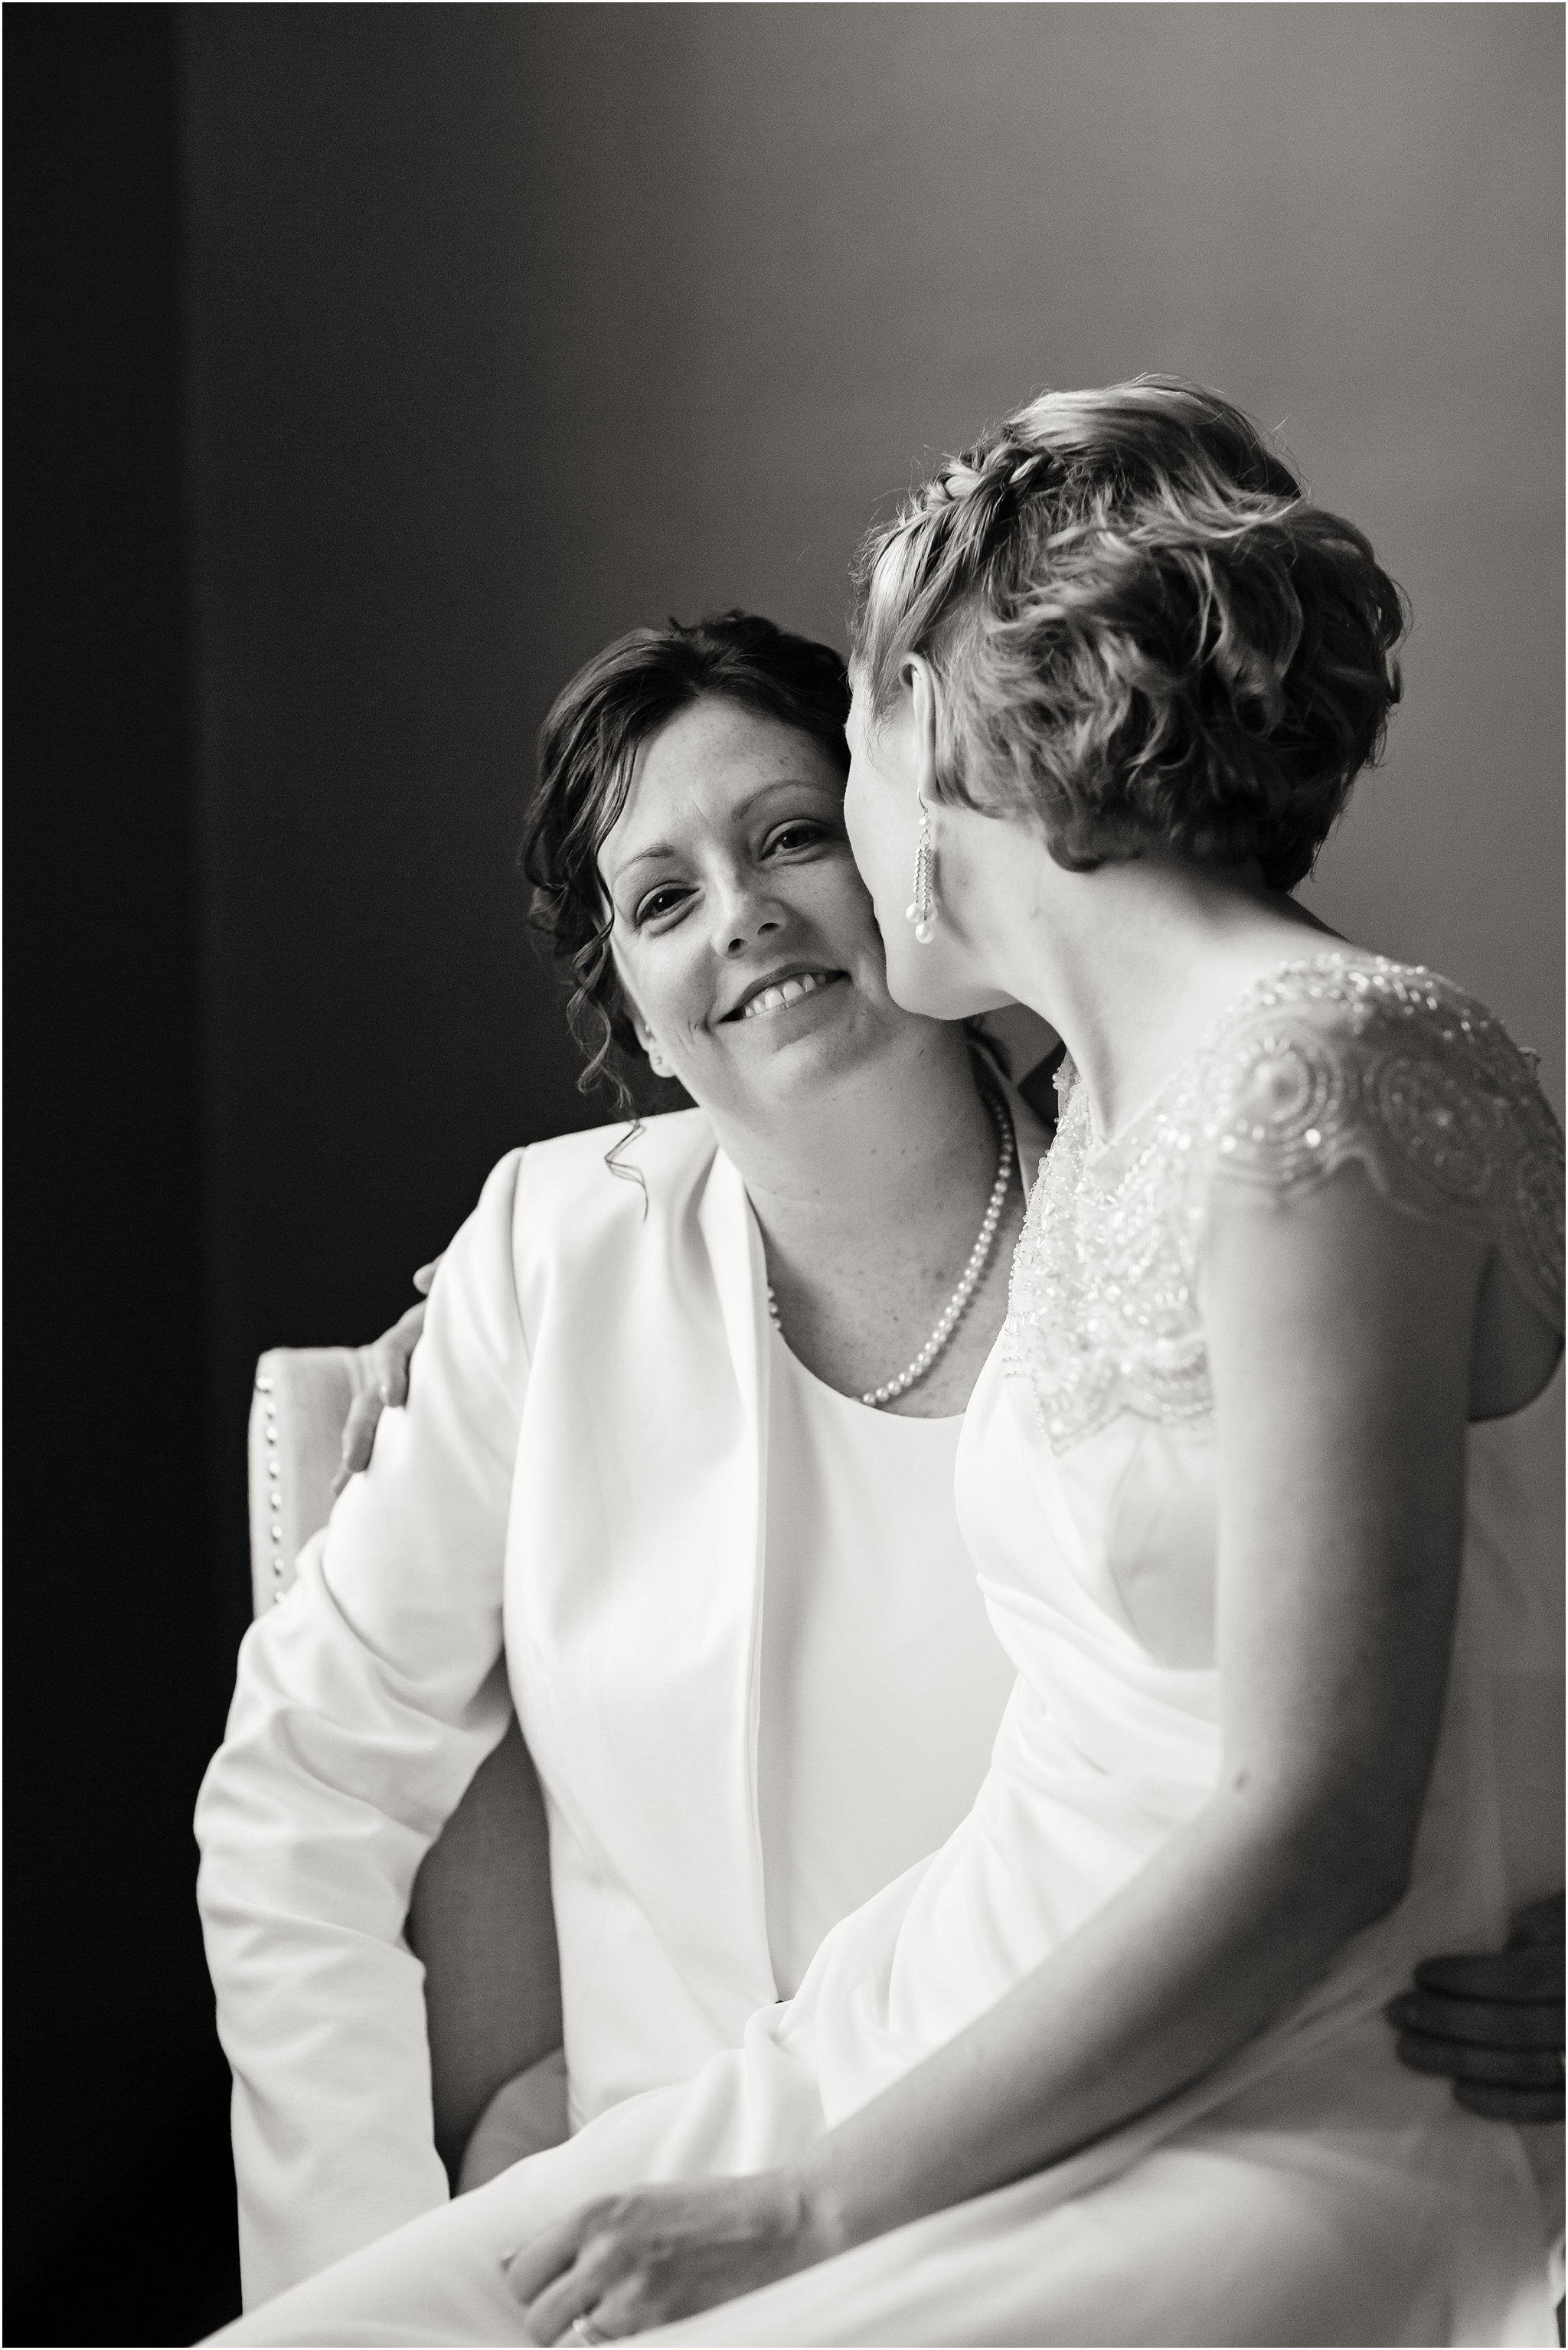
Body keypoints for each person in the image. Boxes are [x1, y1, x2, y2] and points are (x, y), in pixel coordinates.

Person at [204, 384, 1563, 2348]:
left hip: (1209, 2089)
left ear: (942, 742)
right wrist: (507, 1291)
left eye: (816, 795)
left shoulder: (1291, 1088)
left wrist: (813, 2202)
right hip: (865, 2044)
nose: (758, 907)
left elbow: (1388, 1714)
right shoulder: (1101, 1108)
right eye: (663, 900)